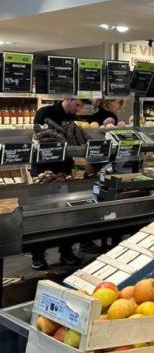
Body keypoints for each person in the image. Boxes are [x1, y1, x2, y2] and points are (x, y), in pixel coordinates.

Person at [30, 97, 87, 270]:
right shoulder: (44, 113)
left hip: (65, 170)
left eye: (82, 106)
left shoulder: (73, 118)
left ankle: (66, 254)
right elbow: (39, 138)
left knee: (66, 213)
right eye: (77, 105)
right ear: (67, 99)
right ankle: (37, 256)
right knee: (42, 215)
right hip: (43, 170)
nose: (79, 109)